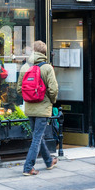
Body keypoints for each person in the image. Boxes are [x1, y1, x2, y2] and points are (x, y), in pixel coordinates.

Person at [17, 40, 59, 176]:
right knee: (37, 138)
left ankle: (48, 161)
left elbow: (19, 89)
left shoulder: (25, 67)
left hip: (30, 108)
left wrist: (29, 98)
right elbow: (53, 89)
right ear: (44, 52)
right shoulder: (47, 68)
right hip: (43, 108)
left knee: (38, 136)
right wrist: (51, 101)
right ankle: (28, 167)